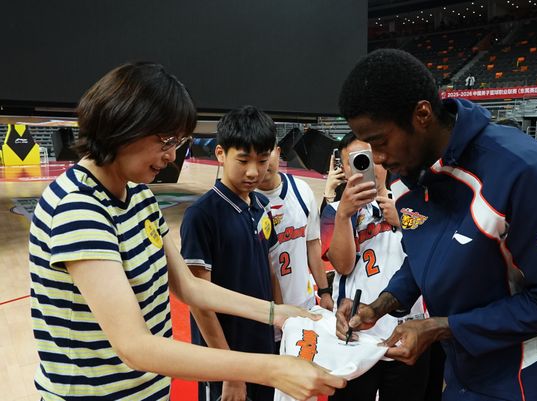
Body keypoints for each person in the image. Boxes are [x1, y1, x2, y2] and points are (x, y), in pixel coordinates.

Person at [28, 62, 345, 400]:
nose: (171, 156)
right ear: (123, 126)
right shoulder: (79, 208)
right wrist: (270, 369)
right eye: (165, 141)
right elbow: (134, 345)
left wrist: (275, 313)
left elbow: (189, 286)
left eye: (178, 142)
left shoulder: (139, 195)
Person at [334, 49, 537, 401]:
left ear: (422, 114)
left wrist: (442, 327)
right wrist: (381, 304)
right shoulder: (407, 171)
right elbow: (423, 255)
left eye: (380, 142)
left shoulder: (523, 170)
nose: (377, 158)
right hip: (467, 364)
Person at [180, 105, 287, 401]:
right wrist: (230, 371)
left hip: (262, 348)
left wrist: (281, 328)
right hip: (223, 358)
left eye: (262, 161)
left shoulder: (261, 207)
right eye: (243, 160)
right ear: (220, 154)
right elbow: (198, 300)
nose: (253, 171)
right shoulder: (201, 215)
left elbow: (268, 271)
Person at [321, 132, 429, 401]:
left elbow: (433, 252)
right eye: (355, 162)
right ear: (345, 169)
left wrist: (404, 221)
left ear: (383, 159)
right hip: (356, 333)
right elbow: (342, 266)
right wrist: (344, 214)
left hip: (408, 330)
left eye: (369, 159)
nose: (364, 168)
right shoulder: (334, 210)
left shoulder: (413, 202)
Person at [256, 145, 333, 311]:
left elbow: (312, 243)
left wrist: (324, 291)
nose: (264, 160)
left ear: (278, 151)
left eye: (267, 152)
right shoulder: (244, 200)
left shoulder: (301, 189)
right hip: (265, 310)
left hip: (305, 302)